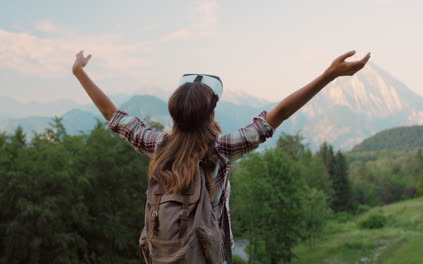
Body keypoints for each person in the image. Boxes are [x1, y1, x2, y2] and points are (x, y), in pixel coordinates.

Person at [72, 49, 370, 263]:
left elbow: (112, 114)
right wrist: (330, 75)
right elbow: (278, 114)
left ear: (174, 114)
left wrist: (79, 71)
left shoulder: (158, 146)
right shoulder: (220, 150)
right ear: (211, 113)